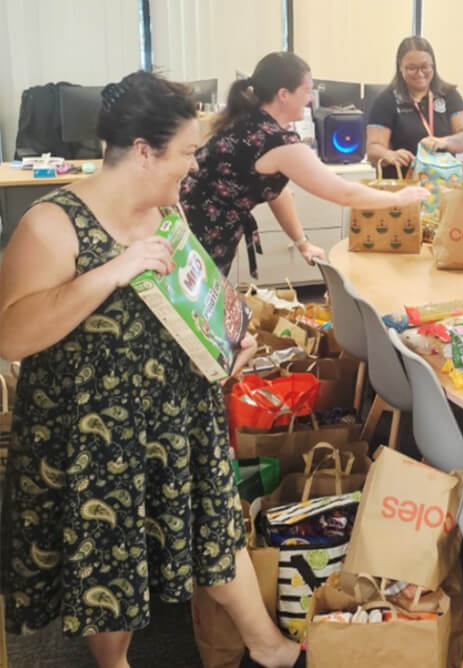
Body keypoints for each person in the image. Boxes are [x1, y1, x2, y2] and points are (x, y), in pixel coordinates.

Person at [0, 72, 303, 668]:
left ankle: (268, 648)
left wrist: (228, 341)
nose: (192, 167)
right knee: (110, 559)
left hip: (177, 406)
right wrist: (109, 272)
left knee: (214, 526)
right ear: (144, 150)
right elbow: (11, 331)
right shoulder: (53, 223)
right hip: (95, 428)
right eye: (186, 153)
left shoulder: (168, 211)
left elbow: (196, 294)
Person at [181, 51, 429, 280]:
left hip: (191, 224)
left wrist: (302, 242)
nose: (311, 99)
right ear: (284, 94)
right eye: (307, 91)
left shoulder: (250, 121)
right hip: (198, 235)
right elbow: (343, 193)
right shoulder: (276, 141)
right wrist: (399, 198)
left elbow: (277, 193)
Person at [365, 36, 463, 178]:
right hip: (403, 185)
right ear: (400, 67)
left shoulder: (449, 95)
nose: (420, 73)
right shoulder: (386, 100)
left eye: (425, 67)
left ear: (433, 65)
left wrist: (443, 142)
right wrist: (389, 155)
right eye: (412, 68)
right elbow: (373, 149)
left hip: (444, 184)